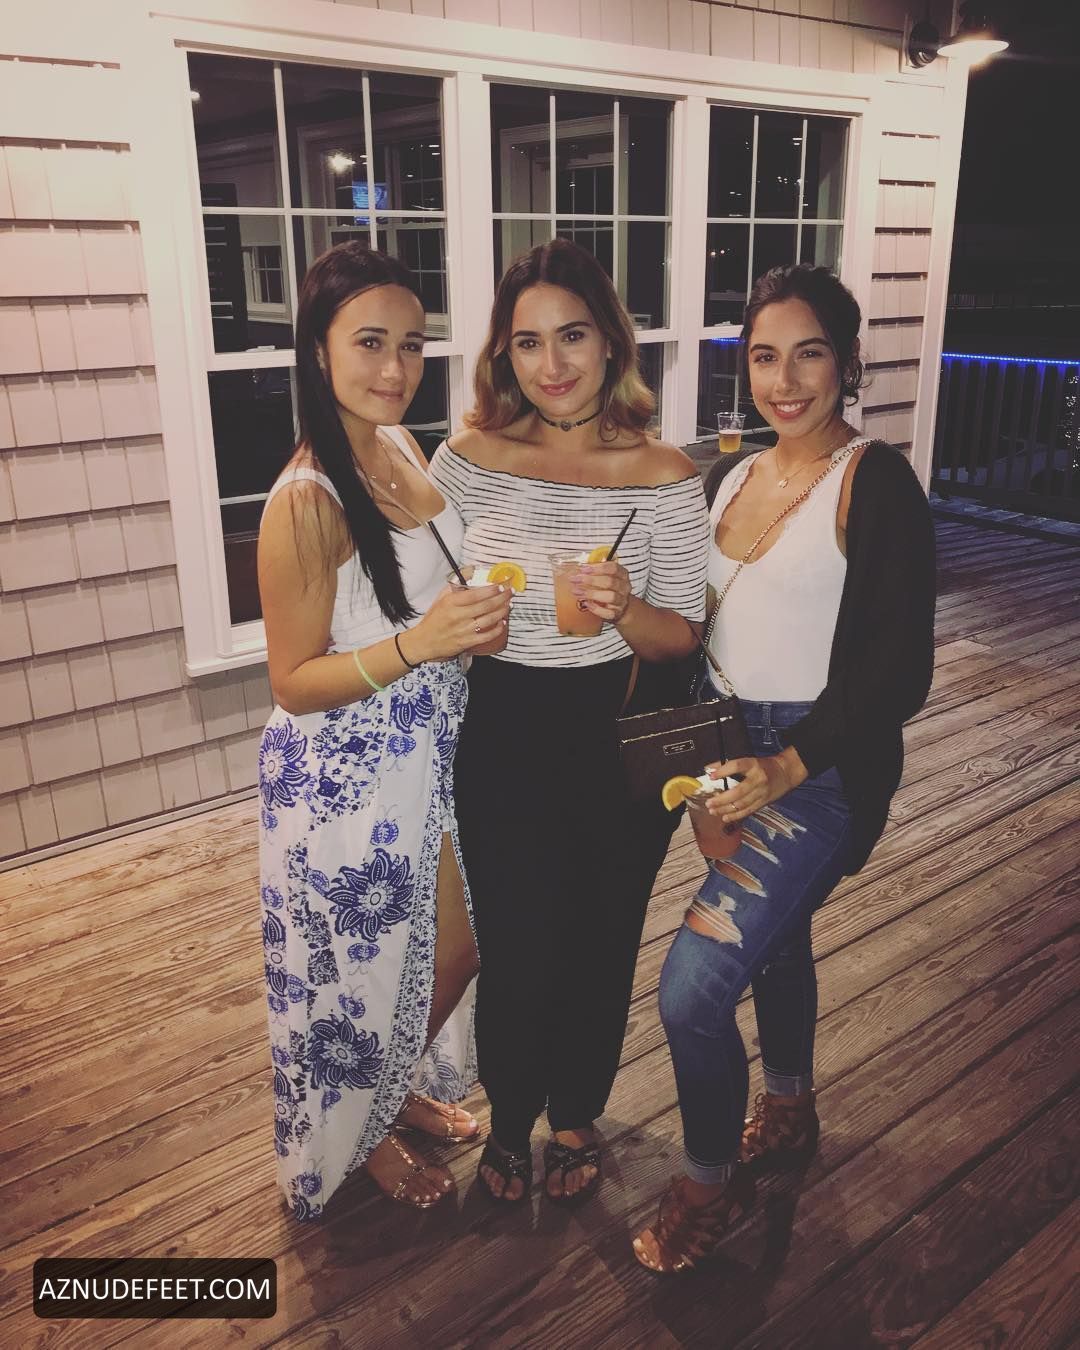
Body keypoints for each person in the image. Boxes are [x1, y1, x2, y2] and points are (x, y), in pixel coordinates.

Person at [633, 264, 936, 1273]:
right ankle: (792, 1107)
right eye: (765, 356)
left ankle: (707, 1181)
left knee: (692, 991)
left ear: (846, 361)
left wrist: (788, 766)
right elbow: (704, 640)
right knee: (779, 936)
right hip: (730, 755)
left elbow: (899, 668)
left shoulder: (873, 481)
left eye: (809, 354)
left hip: (822, 768)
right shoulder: (729, 476)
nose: (785, 379)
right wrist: (704, 777)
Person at [428, 238, 710, 1205]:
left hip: (610, 726)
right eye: (527, 342)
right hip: (500, 727)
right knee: (518, 936)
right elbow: (415, 594)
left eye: (573, 336)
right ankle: (511, 1118)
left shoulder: (665, 474)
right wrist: (455, 623)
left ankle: (579, 1110)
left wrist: (626, 608)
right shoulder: (467, 460)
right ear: (503, 354)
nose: (551, 365)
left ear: (611, 342)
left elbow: (682, 635)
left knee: (601, 932)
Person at [256, 242, 511, 1218]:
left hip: (433, 750)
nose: (396, 368)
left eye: (411, 344)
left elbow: (429, 586)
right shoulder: (305, 500)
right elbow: (292, 680)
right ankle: (358, 1132)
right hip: (347, 772)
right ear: (317, 349)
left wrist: (474, 615)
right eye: (370, 342)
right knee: (382, 964)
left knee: (444, 948)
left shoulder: (399, 445)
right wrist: (419, 644)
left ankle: (390, 1088)